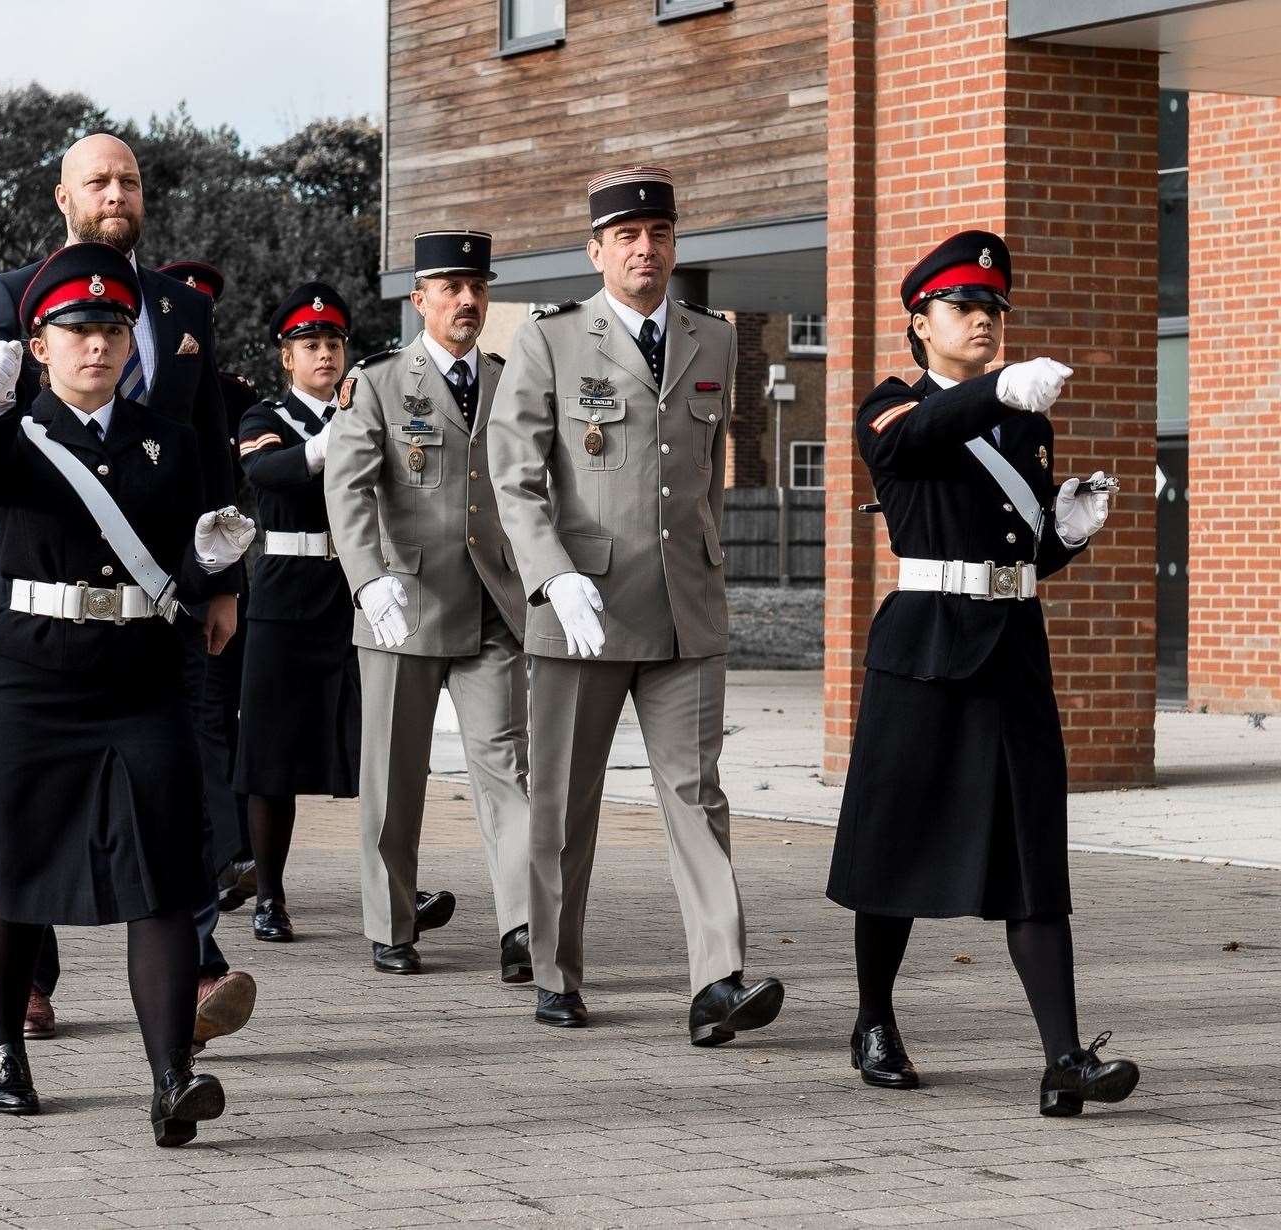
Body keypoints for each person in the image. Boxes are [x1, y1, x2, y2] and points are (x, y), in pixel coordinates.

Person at [0, 133, 252, 1049]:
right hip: (41, 591)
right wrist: (1, 484)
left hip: (162, 601)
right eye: (97, 181)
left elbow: (210, 449)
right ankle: (29, 986)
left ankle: (191, 973)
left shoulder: (179, 302)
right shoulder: (9, 296)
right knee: (31, 820)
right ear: (62, 196)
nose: (115, 193)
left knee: (173, 787)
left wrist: (223, 582)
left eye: (127, 180)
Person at [826, 229, 1138, 1117]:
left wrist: (1066, 534)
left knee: (1036, 852)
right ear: (920, 321)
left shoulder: (1023, 421)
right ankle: (875, 1020)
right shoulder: (890, 404)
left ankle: (1065, 1057)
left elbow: (1022, 550)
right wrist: (996, 388)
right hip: (925, 645)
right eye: (964, 308)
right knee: (897, 841)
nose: (983, 322)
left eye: (994, 312)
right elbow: (913, 442)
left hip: (1010, 640)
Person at [487, 166, 785, 1034]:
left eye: (658, 234)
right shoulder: (550, 339)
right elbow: (515, 477)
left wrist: (710, 560)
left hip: (684, 605)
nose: (644, 249)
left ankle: (717, 980)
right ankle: (555, 969)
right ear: (597, 250)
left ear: (674, 244)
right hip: (580, 608)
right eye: (626, 236)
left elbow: (704, 480)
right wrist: (549, 573)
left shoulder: (714, 339)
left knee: (697, 794)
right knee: (564, 804)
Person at [325, 230, 533, 979]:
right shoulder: (379, 382)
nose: (467, 301)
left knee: (508, 769)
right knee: (393, 773)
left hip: (491, 609)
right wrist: (367, 577)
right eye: (450, 288)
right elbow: (346, 490)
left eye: (477, 287)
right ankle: (391, 922)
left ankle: (523, 926)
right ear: (419, 301)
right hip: (401, 605)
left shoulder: (512, 380)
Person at [232, 282, 363, 943]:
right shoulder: (265, 417)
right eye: (310, 345)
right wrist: (328, 442)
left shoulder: (366, 411)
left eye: (333, 344)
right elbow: (268, 474)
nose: (324, 355)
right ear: (286, 357)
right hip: (284, 597)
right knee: (270, 756)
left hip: (356, 591)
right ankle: (270, 896)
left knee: (374, 750)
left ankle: (390, 887)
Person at [158, 259, 259, 917]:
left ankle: (234, 855)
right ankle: (222, 855)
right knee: (191, 723)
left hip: (220, 576)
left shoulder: (237, 397)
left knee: (221, 720)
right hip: (160, 575)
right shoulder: (140, 388)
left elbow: (237, 486)